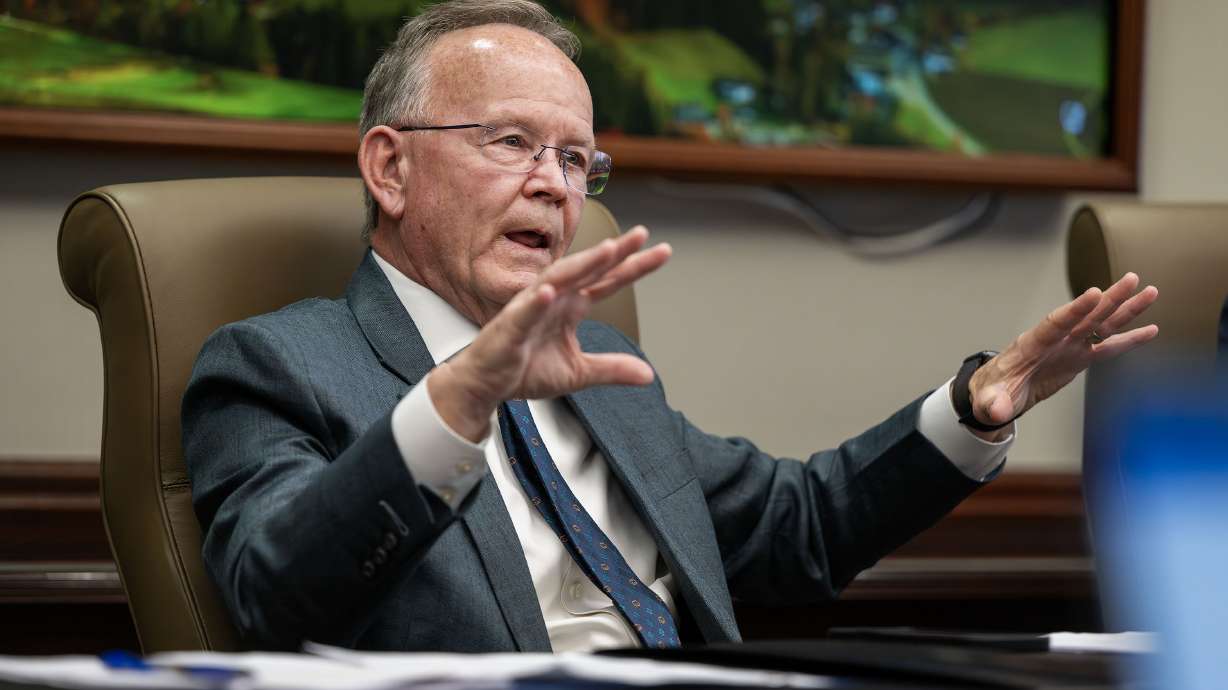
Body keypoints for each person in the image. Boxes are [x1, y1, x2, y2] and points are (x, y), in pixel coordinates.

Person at [182, 0, 1159, 653]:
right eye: (513, 142)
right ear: (389, 168)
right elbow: (279, 591)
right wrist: (464, 396)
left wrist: (973, 411)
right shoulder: (275, 366)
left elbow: (797, 532)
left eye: (576, 161)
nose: (552, 185)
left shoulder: (601, 363)